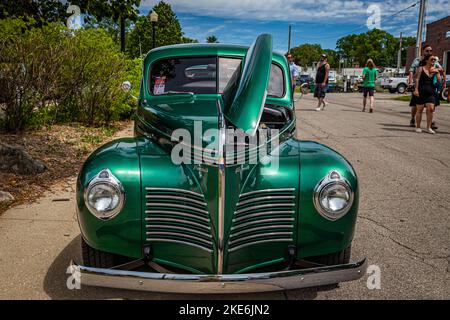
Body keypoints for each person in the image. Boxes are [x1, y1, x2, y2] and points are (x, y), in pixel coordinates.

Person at [408, 45, 443, 128]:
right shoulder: (417, 60)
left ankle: (431, 121)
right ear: (423, 51)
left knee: (432, 105)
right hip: (419, 85)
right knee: (415, 105)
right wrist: (410, 82)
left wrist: (439, 73)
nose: (429, 52)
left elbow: (441, 69)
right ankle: (413, 118)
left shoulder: (434, 60)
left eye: (430, 51)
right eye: (427, 51)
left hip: (431, 85)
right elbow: (411, 71)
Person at [414, 55, 441, 134]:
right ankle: (418, 127)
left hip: (431, 92)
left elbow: (439, 81)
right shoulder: (421, 68)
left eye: (434, 59)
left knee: (431, 109)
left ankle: (428, 127)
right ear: (426, 60)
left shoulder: (435, 70)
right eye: (432, 59)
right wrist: (416, 90)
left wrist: (438, 72)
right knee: (420, 109)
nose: (433, 61)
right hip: (421, 91)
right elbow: (417, 79)